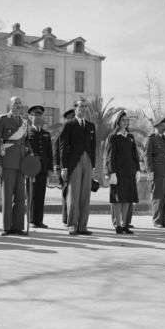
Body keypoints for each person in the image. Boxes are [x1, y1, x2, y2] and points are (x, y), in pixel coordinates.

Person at [0, 96, 30, 236]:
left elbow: (27, 142)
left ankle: (17, 227)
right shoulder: (2, 119)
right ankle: (7, 227)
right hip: (7, 163)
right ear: (10, 105)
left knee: (20, 197)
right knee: (7, 196)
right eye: (16, 103)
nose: (19, 105)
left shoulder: (25, 122)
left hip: (21, 164)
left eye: (20, 103)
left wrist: (30, 159)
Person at [59, 97, 96, 236]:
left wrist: (93, 166)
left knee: (86, 194)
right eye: (81, 106)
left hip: (88, 161)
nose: (84, 109)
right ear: (75, 108)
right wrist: (63, 167)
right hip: (73, 162)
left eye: (86, 106)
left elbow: (93, 146)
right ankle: (72, 225)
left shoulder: (91, 126)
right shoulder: (69, 125)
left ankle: (83, 226)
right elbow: (62, 147)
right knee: (73, 195)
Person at [105, 110, 140, 234]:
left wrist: (137, 170)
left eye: (127, 120)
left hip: (130, 171)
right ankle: (117, 225)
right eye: (123, 120)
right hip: (118, 173)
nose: (125, 122)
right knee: (117, 199)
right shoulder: (113, 137)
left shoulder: (130, 137)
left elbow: (135, 154)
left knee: (127, 199)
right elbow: (110, 156)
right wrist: (111, 172)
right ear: (118, 121)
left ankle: (125, 224)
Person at [144, 117, 165, 228]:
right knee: (158, 196)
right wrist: (150, 171)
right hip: (157, 172)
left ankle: (164, 221)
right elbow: (147, 156)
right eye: (162, 125)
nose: (164, 127)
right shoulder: (151, 139)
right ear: (156, 126)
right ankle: (157, 221)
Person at [26, 105, 53, 228]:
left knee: (41, 194)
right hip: (31, 168)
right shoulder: (26, 133)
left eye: (39, 115)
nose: (37, 117)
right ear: (30, 117)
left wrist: (50, 169)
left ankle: (39, 220)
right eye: (35, 115)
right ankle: (31, 220)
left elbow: (49, 153)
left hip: (43, 168)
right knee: (32, 194)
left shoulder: (46, 134)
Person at [53, 109, 76, 225]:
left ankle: (73, 217)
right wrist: (57, 167)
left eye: (74, 117)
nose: (73, 119)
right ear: (67, 119)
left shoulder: (78, 131)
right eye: (71, 117)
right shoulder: (62, 131)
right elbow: (57, 150)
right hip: (65, 167)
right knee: (66, 192)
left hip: (75, 166)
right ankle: (65, 218)